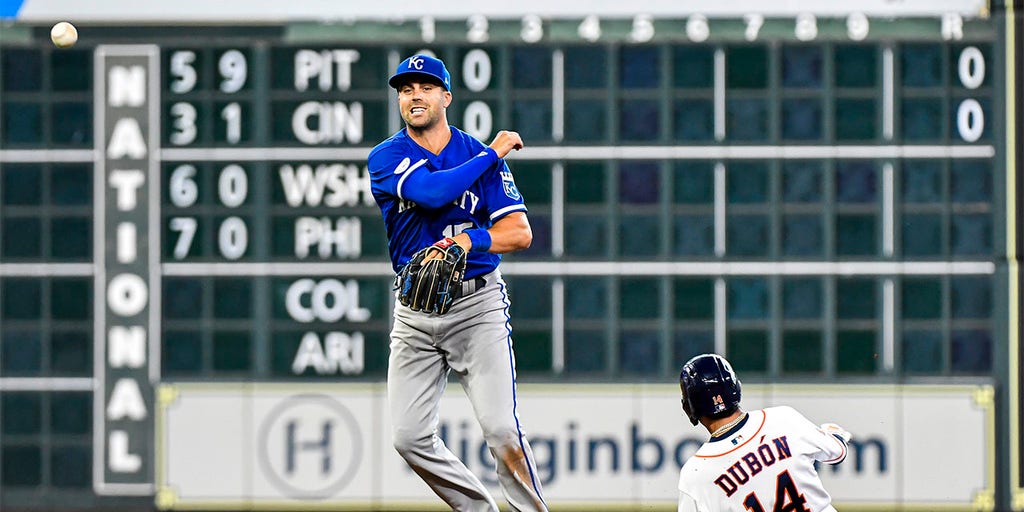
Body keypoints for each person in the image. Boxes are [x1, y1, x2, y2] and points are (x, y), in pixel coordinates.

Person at [367, 54, 549, 512]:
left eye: (425, 87)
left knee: (502, 431)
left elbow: (520, 233)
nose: (414, 95)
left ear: (445, 97)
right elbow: (431, 192)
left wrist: (471, 239)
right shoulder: (386, 157)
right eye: (406, 89)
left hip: (477, 307)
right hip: (415, 313)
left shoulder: (472, 153)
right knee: (408, 438)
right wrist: (492, 153)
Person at [676, 354, 851, 512]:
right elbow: (838, 453)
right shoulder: (783, 418)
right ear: (734, 387)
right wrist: (836, 435)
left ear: (690, 407)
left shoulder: (695, 475)